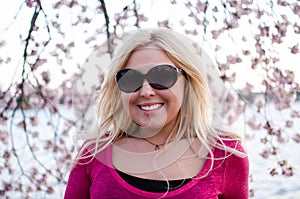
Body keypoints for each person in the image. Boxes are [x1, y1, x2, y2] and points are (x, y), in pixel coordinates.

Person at [64, 28, 249, 199]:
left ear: (188, 82)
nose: (146, 92)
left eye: (161, 75)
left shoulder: (226, 155)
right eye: (130, 79)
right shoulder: (93, 154)